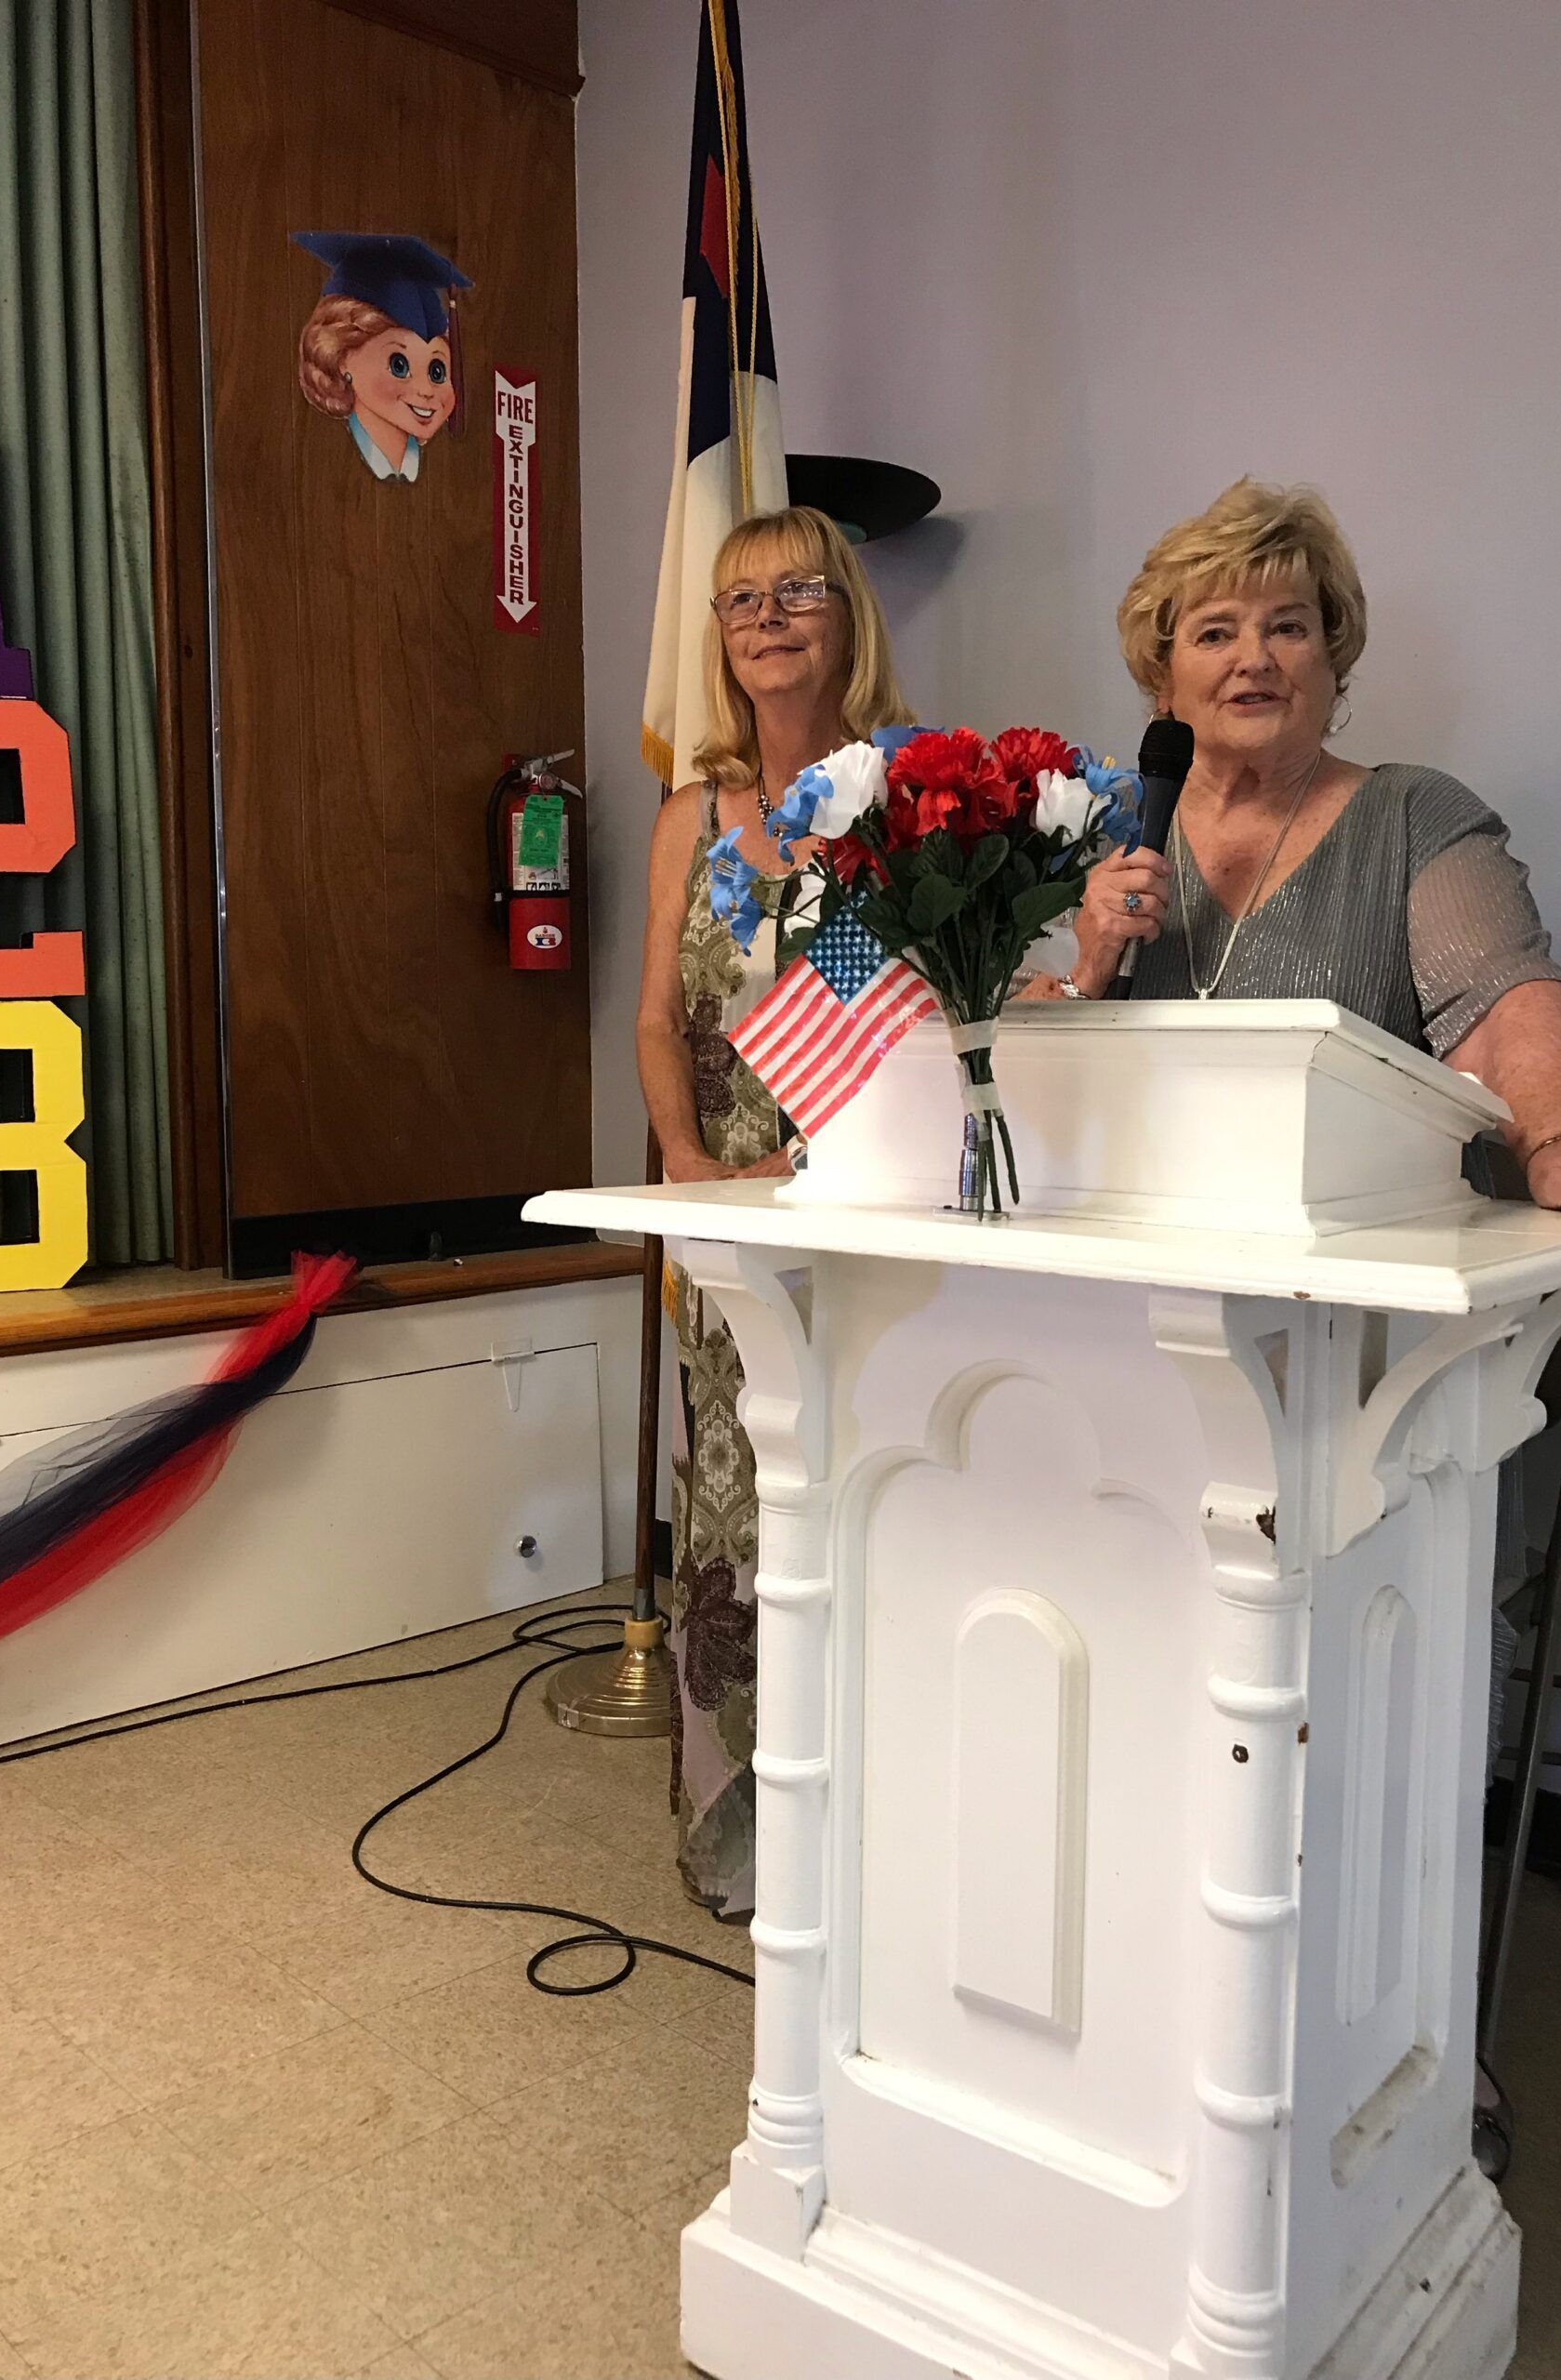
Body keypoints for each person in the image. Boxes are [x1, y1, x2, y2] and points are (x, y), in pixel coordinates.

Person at [1026, 478, 1561, 1284]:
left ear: (1332, 661)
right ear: (1163, 681)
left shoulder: (1412, 813)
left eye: (1289, 627)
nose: (1254, 658)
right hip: (1126, 1267)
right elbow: (1010, 1079)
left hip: (1362, 1275)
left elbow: (1504, 1002)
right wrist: (1089, 972)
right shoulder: (1088, 830)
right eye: (1215, 633)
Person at [636, 505, 915, 1916]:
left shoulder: (904, 800)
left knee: (861, 1504)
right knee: (734, 1513)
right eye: (740, 600)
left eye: (798, 590)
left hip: (868, 1211)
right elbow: (652, 1024)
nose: (767, 618)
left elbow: (900, 1017)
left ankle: (875, 1820)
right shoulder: (697, 812)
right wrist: (685, 1160)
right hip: (728, 1216)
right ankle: (743, 1820)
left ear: (845, 613)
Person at [292, 231, 470, 482]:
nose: (426, 389)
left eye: (437, 371)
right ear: (341, 359)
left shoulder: (433, 474)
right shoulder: (322, 464)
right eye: (399, 365)